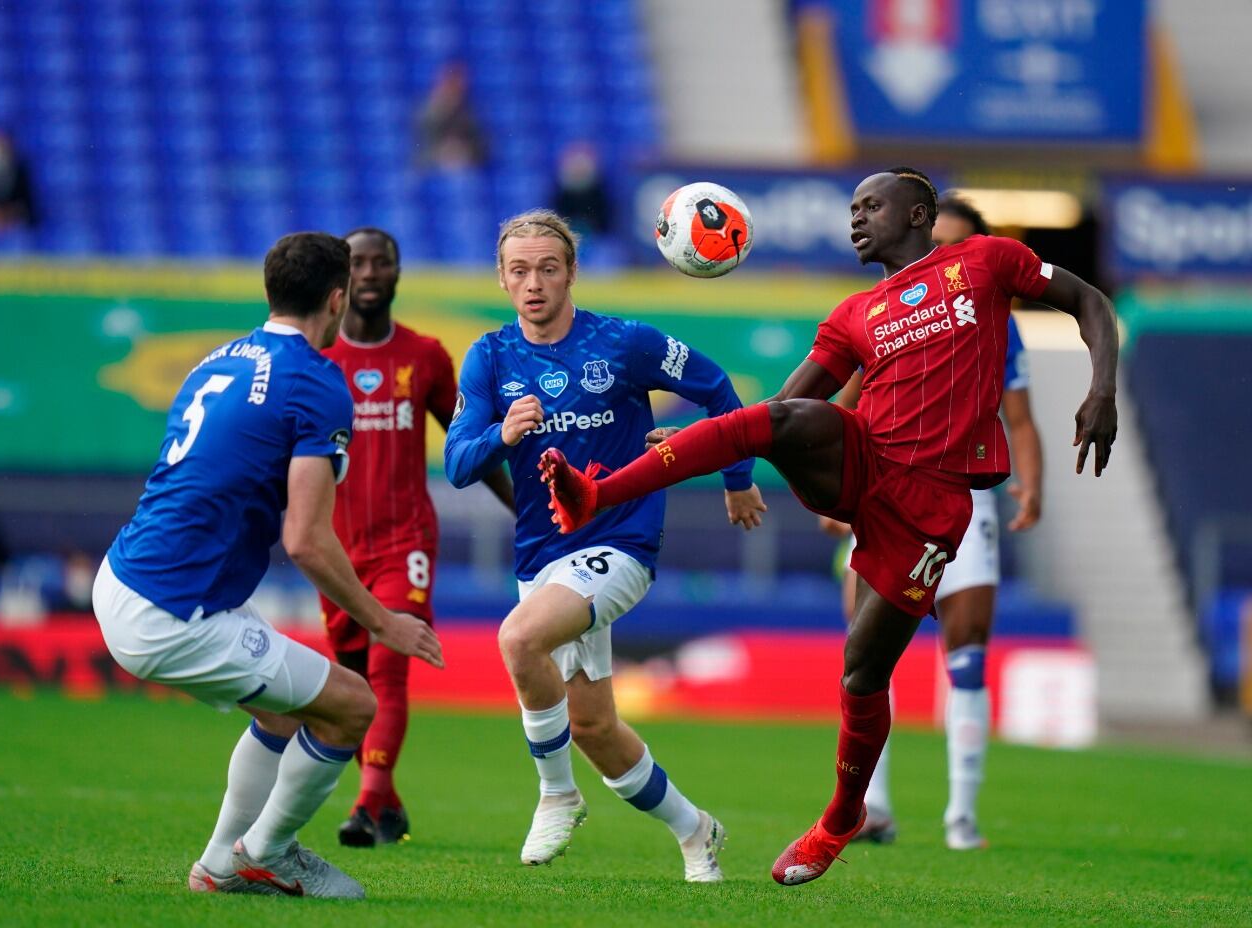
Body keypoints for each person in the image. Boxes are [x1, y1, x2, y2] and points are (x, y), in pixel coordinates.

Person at [541, 168, 1118, 886]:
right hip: (864, 461)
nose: (856, 220)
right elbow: (781, 408)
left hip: (932, 505)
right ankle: (598, 495)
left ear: (919, 213)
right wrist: (728, 445)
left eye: (870, 206)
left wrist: (1100, 389)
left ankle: (843, 817)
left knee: (862, 670)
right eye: (851, 208)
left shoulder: (986, 262)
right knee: (784, 419)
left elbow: (1087, 300)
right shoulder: (853, 314)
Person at [91, 232, 444, 899]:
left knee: (285, 712)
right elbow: (307, 539)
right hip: (175, 609)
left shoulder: (219, 357)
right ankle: (266, 854)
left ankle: (223, 861)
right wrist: (385, 623)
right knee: (351, 705)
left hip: (125, 577)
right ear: (337, 298)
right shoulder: (316, 382)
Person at [445, 210, 767, 882]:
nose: (533, 283)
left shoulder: (624, 344)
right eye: (519, 270)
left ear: (571, 272)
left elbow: (718, 391)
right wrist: (502, 437)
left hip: (622, 542)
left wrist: (738, 480)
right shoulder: (490, 356)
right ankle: (696, 829)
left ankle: (557, 794)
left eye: (548, 268)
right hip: (543, 556)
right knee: (594, 728)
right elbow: (455, 463)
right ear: (503, 279)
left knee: (517, 640)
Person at [821, 195, 1045, 850]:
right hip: (885, 499)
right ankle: (875, 808)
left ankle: (961, 817)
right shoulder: (883, 310)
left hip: (963, 497)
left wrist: (1033, 481)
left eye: (957, 248)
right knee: (865, 660)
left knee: (967, 655)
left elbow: (1021, 415)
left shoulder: (995, 318)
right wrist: (839, 494)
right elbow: (847, 399)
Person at [322, 226, 513, 848]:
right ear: (342, 277)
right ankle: (390, 802)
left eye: (383, 262)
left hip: (405, 543)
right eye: (359, 263)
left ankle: (366, 804)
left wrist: (527, 511)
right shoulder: (317, 362)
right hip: (337, 548)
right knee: (350, 684)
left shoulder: (426, 357)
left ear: (399, 273)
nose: (371, 272)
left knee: (387, 670)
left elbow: (472, 449)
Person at [416, 61, 488, 169]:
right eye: (450, 83)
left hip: (465, 164)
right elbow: (422, 141)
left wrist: (464, 150)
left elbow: (481, 144)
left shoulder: (470, 111)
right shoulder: (428, 110)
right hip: (434, 164)